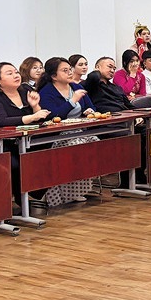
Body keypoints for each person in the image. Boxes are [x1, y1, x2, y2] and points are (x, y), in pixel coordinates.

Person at [36, 57, 98, 206]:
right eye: (65, 70)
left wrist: (89, 111)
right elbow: (53, 116)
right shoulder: (47, 92)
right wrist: (72, 101)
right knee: (77, 145)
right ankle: (63, 193)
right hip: (57, 135)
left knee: (95, 142)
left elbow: (91, 106)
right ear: (54, 76)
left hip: (79, 130)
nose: (70, 72)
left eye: (70, 69)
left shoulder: (75, 86)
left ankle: (77, 191)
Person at [0, 62, 51, 204]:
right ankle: (20, 198)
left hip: (27, 140)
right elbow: (0, 120)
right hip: (4, 144)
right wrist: (31, 117)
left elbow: (40, 117)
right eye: (9, 73)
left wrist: (35, 106)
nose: (16, 75)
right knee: (17, 164)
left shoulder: (25, 91)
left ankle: (32, 195)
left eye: (16, 72)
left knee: (48, 155)